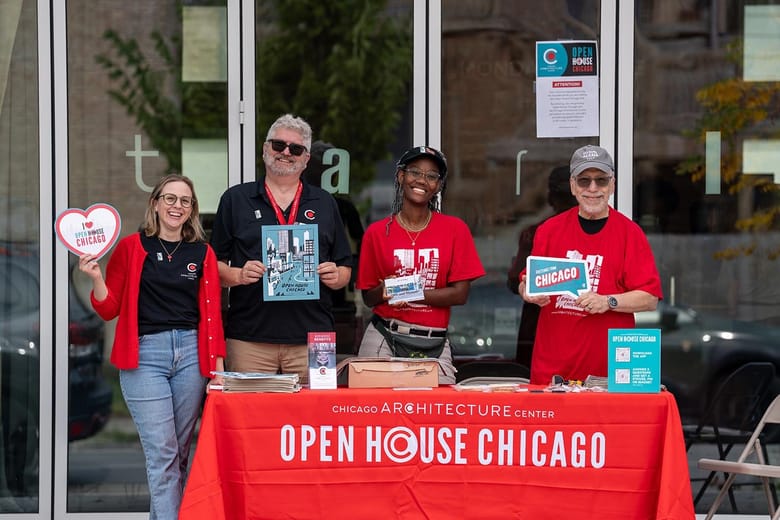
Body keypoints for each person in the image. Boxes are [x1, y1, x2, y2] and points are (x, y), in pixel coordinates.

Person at [78, 173, 225, 520]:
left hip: (191, 355)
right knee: (163, 454)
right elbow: (108, 307)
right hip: (146, 356)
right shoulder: (131, 247)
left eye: (185, 201)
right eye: (170, 199)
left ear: (192, 210)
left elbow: (213, 316)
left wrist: (216, 366)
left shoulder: (202, 253)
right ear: (155, 204)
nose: (177, 206)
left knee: (179, 455)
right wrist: (96, 277)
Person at [210, 114, 352, 382]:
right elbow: (213, 265)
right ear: (265, 149)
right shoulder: (235, 199)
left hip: (313, 338)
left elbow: (345, 267)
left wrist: (336, 277)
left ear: (306, 158)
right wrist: (238, 275)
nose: (286, 153)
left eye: (295, 149)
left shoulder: (325, 203)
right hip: (249, 339)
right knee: (250, 420)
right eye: (278, 145)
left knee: (312, 421)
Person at [518, 145, 663, 385]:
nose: (593, 189)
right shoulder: (549, 231)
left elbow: (649, 298)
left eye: (601, 180)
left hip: (610, 374)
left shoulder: (630, 233)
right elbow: (526, 282)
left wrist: (607, 302)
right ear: (573, 186)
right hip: (553, 372)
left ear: (612, 185)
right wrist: (530, 294)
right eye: (584, 181)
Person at [356, 146, 485, 384]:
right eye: (415, 172)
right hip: (383, 337)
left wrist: (408, 291)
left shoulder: (455, 230)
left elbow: (460, 294)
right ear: (401, 176)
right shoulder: (377, 233)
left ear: (438, 186)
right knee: (373, 413)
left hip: (433, 341)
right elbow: (368, 297)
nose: (422, 180)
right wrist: (384, 292)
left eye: (432, 176)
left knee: (437, 414)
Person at [507, 165, 577, 367]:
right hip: (541, 323)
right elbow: (517, 280)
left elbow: (513, 279)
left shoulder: (534, 231)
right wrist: (526, 285)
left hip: (554, 324)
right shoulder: (539, 232)